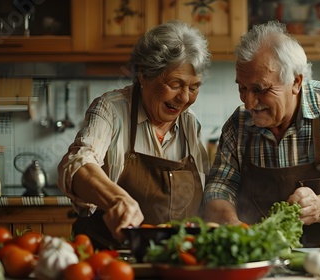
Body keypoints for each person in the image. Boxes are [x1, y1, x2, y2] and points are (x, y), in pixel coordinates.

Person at [202, 21, 320, 247]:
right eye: (242, 89)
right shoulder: (239, 125)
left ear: (295, 81)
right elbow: (217, 190)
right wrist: (232, 226)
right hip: (263, 259)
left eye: (260, 89)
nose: (249, 103)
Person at [57, 20, 211, 249]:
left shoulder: (191, 125)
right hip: (110, 259)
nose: (185, 98)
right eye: (175, 84)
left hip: (172, 261)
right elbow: (77, 164)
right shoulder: (111, 110)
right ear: (143, 75)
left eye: (194, 87)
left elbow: (203, 201)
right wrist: (117, 200)